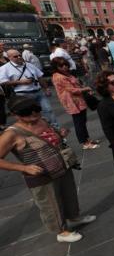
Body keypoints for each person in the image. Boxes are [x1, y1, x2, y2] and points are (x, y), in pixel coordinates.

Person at [0, 96, 95, 242]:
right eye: (27, 112)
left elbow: (50, 137)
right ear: (15, 114)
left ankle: (74, 217)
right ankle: (61, 231)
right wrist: (23, 167)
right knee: (51, 203)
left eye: (36, 109)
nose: (34, 114)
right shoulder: (11, 134)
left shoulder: (42, 120)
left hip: (61, 165)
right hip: (41, 175)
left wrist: (60, 134)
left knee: (69, 194)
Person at [0, 49, 59, 128]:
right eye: (15, 56)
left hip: (38, 92)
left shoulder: (28, 64)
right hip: (23, 95)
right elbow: (3, 82)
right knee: (30, 116)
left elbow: (40, 77)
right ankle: (37, 133)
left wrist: (46, 88)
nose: (19, 57)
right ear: (9, 57)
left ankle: (55, 130)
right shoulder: (5, 68)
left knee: (48, 110)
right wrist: (20, 82)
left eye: (20, 55)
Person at [50, 57, 100, 150]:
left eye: (65, 64)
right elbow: (72, 90)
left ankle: (87, 139)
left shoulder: (66, 74)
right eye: (61, 65)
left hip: (78, 100)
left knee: (82, 121)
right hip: (72, 102)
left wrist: (84, 89)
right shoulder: (58, 76)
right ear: (56, 67)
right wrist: (86, 89)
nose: (64, 67)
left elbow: (76, 85)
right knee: (79, 122)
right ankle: (85, 143)